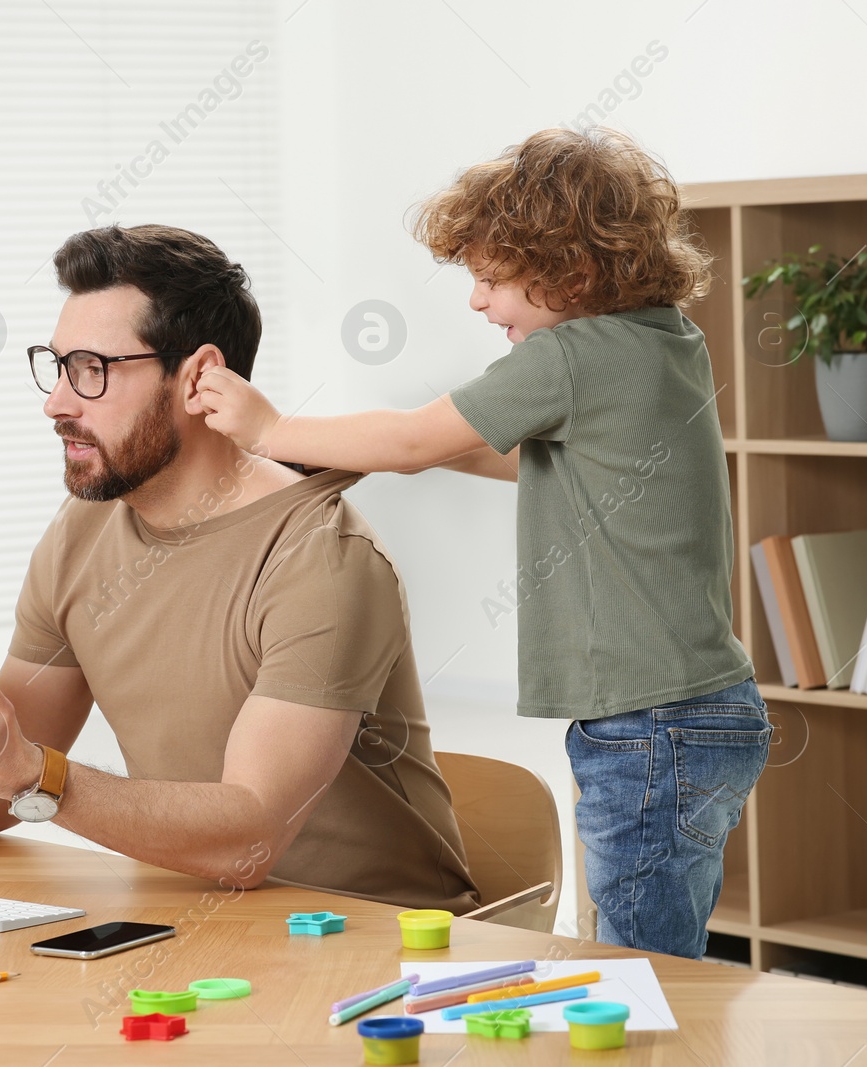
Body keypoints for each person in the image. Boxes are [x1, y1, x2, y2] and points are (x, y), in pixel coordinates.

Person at [196, 128, 769, 959]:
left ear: (570, 273)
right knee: (665, 945)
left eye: (491, 278)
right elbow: (533, 464)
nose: (476, 301)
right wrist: (372, 457)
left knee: (639, 964)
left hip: (645, 725)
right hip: (706, 709)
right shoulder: (662, 338)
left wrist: (273, 425)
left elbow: (415, 435)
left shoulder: (568, 356)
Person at [0, 223, 477, 912]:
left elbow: (246, 842)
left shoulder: (323, 556)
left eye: (92, 369)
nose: (57, 403)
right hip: (198, 924)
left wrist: (38, 776)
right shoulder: (82, 529)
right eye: (57, 367)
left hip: (385, 944)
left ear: (197, 378)